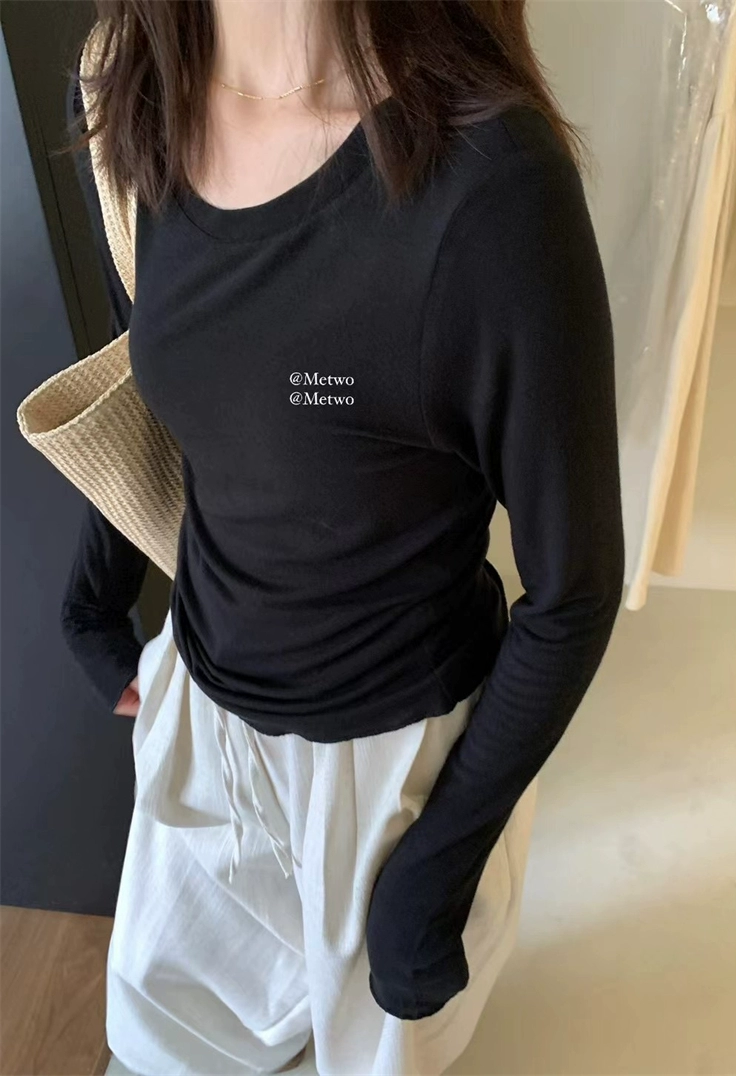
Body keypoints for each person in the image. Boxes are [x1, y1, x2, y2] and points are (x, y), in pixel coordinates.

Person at [61, 1, 625, 1073]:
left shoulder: (494, 188)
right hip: (202, 722)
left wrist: (435, 869)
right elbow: (175, 375)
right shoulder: (125, 90)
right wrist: (96, 597)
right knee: (155, 1045)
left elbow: (575, 591)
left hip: (385, 776)